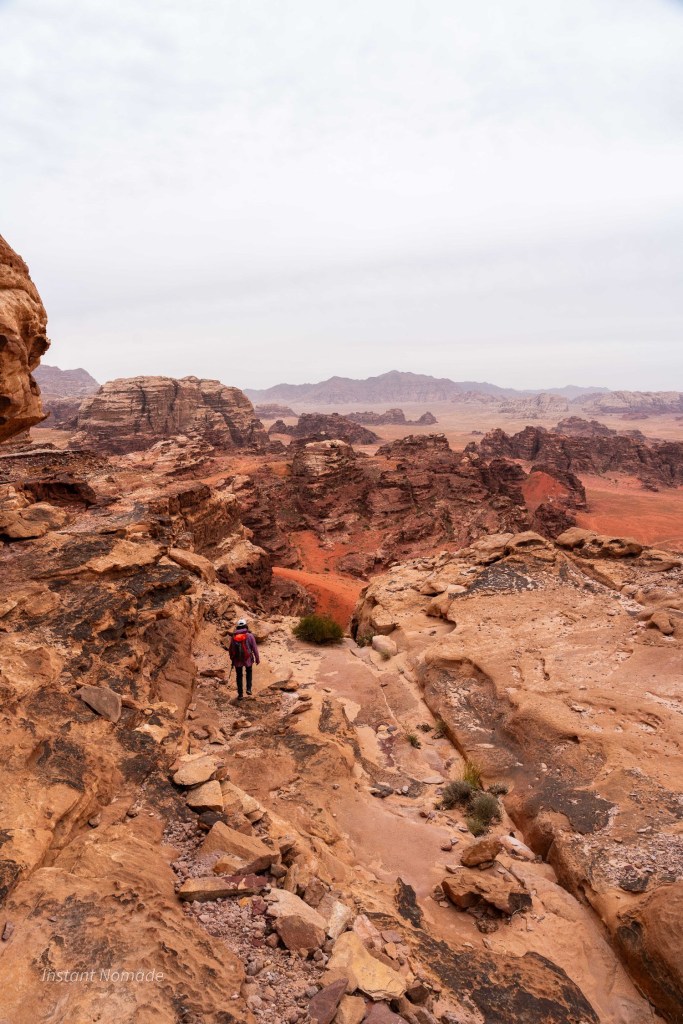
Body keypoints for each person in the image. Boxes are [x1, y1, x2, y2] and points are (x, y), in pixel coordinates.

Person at [228, 618, 260, 700]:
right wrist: (257, 658)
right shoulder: (250, 635)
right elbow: (254, 648)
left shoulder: (234, 636)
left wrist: (232, 659)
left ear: (238, 627)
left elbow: (231, 649)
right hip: (247, 658)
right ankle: (248, 689)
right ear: (246, 626)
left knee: (239, 676)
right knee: (249, 672)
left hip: (237, 660)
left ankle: (240, 694)